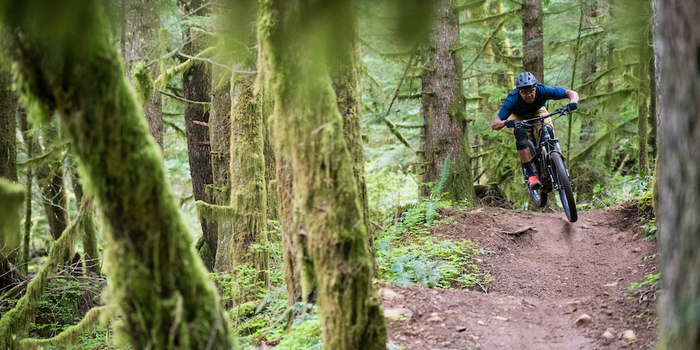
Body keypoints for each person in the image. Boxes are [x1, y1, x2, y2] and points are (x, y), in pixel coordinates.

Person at [491, 72, 579, 190]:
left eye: (530, 90)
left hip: (538, 111)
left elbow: (571, 93)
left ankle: (556, 166)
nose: (528, 95)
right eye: (524, 92)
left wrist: (573, 102)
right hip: (518, 116)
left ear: (535, 88)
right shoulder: (512, 98)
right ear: (519, 91)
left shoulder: (543, 90)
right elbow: (495, 124)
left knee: (547, 132)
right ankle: (531, 175)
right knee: (520, 134)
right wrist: (506, 122)